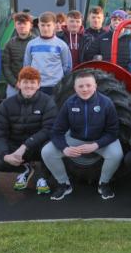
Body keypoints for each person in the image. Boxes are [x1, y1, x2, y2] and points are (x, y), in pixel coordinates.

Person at [41, 70, 123, 201]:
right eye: (80, 86)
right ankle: (64, 184)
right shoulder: (69, 103)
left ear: (95, 86)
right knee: (47, 152)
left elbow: (113, 132)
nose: (85, 89)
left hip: (99, 141)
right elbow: (57, 131)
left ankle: (103, 184)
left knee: (116, 154)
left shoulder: (106, 103)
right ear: (75, 88)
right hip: (75, 139)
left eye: (88, 85)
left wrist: (96, 145)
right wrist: (64, 148)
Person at [0, 66, 57, 194]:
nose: (29, 86)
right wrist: (6, 155)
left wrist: (25, 146)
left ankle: (43, 176)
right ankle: (25, 169)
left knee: (50, 148)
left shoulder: (47, 102)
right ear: (19, 84)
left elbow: (48, 129)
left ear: (39, 85)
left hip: (39, 146)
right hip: (17, 146)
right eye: (25, 82)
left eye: (32, 83)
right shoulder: (6, 105)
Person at [24, 11, 72, 95]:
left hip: (55, 86)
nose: (45, 28)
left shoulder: (61, 45)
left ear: (54, 25)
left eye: (48, 25)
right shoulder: (31, 44)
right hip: (36, 86)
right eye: (42, 25)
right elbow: (27, 65)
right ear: (38, 25)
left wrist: (57, 79)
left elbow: (67, 66)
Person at [1, 12, 35, 98]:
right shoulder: (9, 44)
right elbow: (5, 66)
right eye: (19, 23)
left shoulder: (37, 42)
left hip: (34, 85)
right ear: (15, 26)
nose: (22, 26)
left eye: (25, 23)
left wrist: (34, 83)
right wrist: (15, 83)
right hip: (15, 85)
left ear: (30, 25)